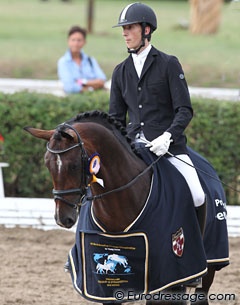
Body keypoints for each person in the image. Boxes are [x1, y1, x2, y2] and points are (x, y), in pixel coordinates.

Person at [109, 2, 206, 236]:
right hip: (133, 147)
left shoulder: (168, 64)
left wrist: (168, 136)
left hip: (167, 147)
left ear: (146, 30)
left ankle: (198, 249)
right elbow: (115, 119)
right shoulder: (120, 71)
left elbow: (184, 109)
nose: (124, 33)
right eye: (123, 28)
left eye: (130, 27)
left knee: (197, 194)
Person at [58, 25, 106, 94]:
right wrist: (92, 87)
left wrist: (82, 82)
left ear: (84, 42)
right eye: (73, 40)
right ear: (68, 41)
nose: (76, 43)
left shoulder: (90, 60)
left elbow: (102, 80)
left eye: (79, 40)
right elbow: (69, 88)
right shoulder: (63, 62)